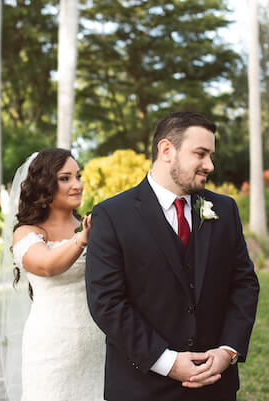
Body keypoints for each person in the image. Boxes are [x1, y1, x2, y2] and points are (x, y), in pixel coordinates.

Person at [85, 112, 259, 401]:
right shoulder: (113, 215)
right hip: (140, 387)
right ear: (167, 150)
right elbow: (106, 301)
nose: (210, 165)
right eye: (201, 154)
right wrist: (166, 361)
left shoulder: (225, 210)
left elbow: (244, 284)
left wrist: (228, 351)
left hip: (214, 386)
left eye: (211, 155)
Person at [0, 148, 105, 401]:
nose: (77, 185)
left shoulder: (92, 225)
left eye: (78, 176)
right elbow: (46, 265)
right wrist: (82, 239)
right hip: (53, 345)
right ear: (44, 184)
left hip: (98, 342)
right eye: (65, 178)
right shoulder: (28, 232)